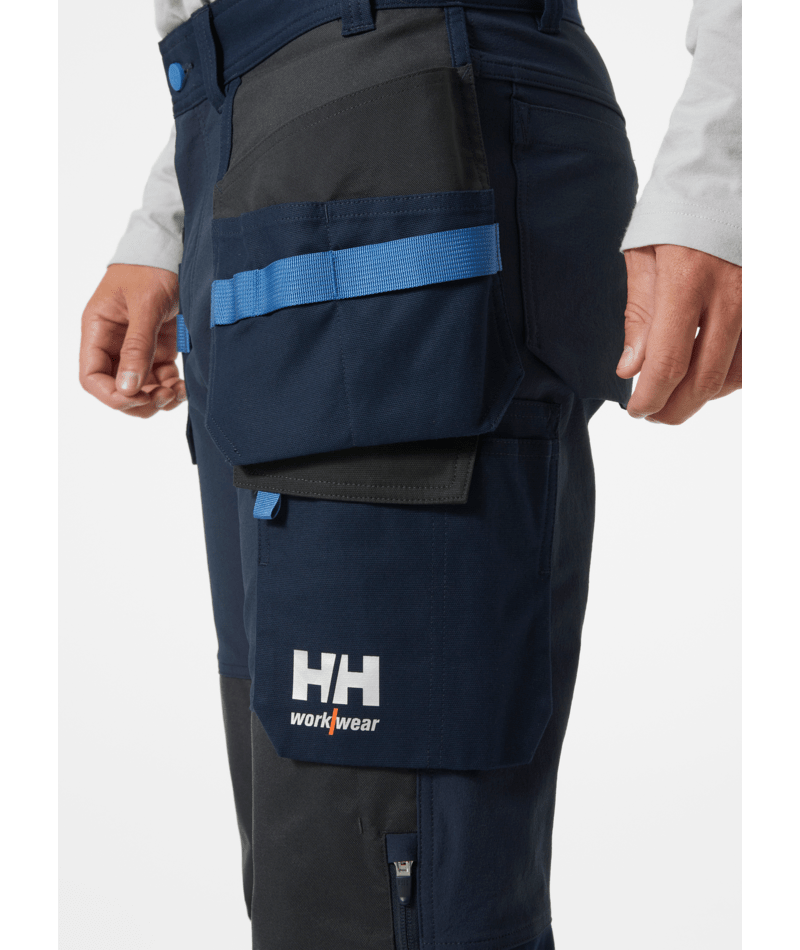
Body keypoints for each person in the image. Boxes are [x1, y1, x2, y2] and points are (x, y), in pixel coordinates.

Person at [79, 1, 741, 948]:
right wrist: (169, 222)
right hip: (249, 145)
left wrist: (724, 173)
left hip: (405, 110)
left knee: (377, 876)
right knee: (310, 864)